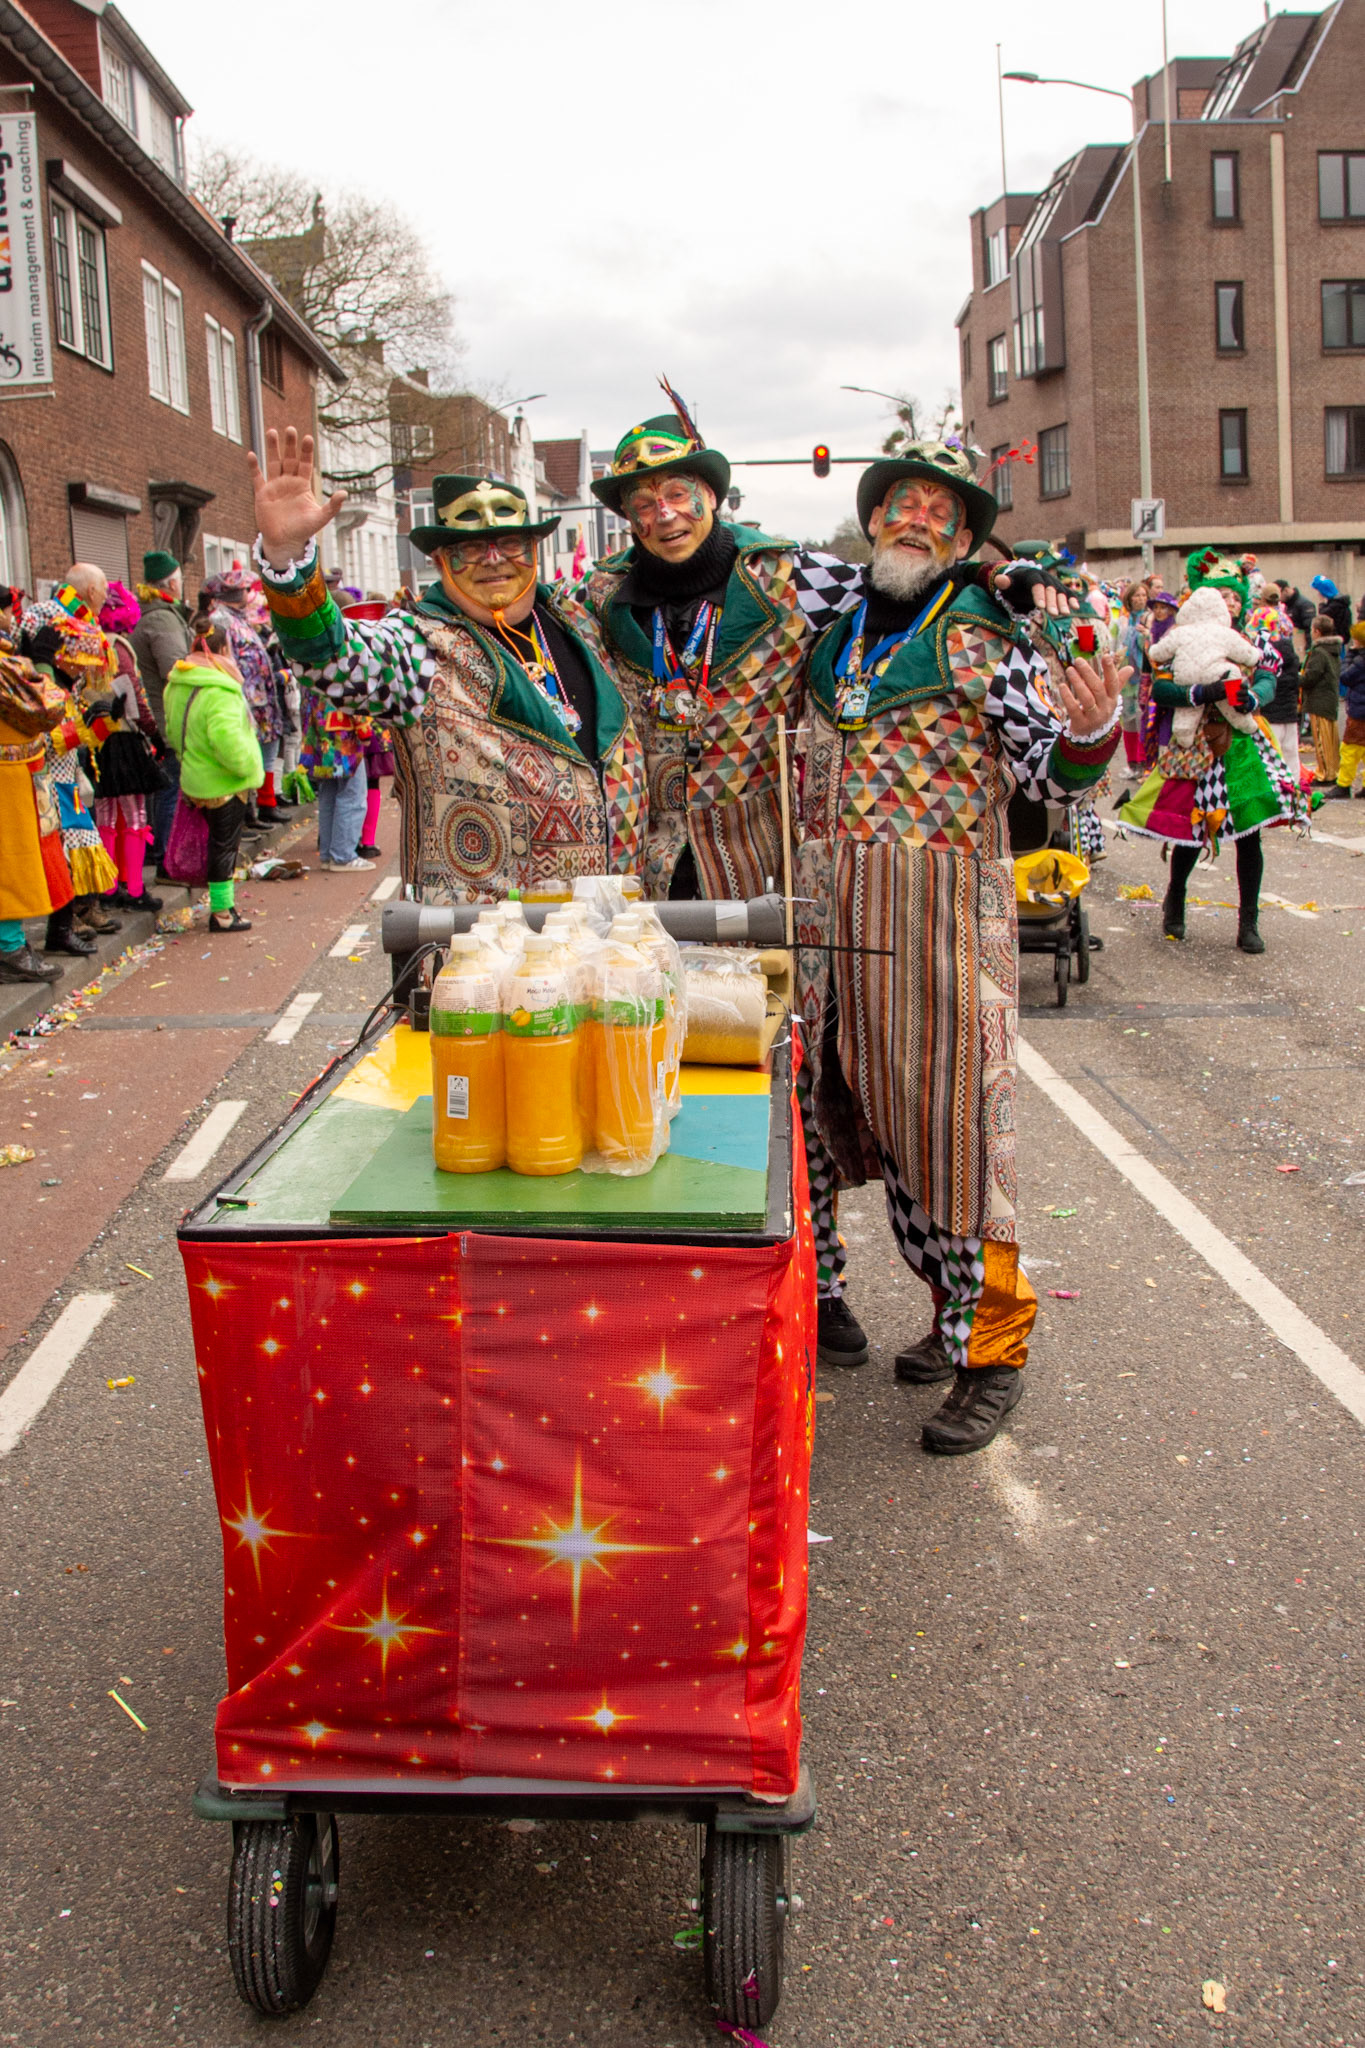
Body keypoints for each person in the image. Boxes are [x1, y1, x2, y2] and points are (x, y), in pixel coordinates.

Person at [793, 442, 1124, 1455]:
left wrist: (1092, 728)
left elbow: (1054, 772)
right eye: (903, 502)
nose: (918, 520)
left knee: (957, 1140)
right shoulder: (838, 621)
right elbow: (758, 570)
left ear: (967, 538)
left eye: (943, 513)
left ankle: (995, 1353)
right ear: (874, 517)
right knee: (866, 1128)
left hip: (938, 929)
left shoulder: (988, 636)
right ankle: (948, 1321)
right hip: (832, 930)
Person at [576, 389, 1064, 903]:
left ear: (712, 495)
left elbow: (902, 576)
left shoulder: (790, 576)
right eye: (644, 504)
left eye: (679, 494)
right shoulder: (600, 597)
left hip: (758, 870)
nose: (665, 515)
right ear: (627, 516)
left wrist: (989, 573)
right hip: (646, 870)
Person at [248, 427, 647, 902]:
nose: (494, 559)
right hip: (486, 938)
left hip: (613, 928)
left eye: (510, 542)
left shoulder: (580, 621)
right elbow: (331, 658)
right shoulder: (418, 644)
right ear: (440, 559)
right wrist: (287, 561)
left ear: (533, 550)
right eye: (470, 548)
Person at [1120, 550, 1305, 954]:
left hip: (1240, 744)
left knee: (1249, 834)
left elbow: (1269, 676)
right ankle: (1175, 898)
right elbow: (1161, 688)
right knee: (1191, 831)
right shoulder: (1180, 637)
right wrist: (1202, 693)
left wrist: (1253, 699)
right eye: (1223, 595)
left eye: (1236, 596)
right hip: (1194, 745)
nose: (1231, 602)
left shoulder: (1252, 639)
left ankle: (1248, 923)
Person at [163, 616, 264, 934]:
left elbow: (172, 730)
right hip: (224, 782)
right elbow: (227, 741)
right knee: (224, 848)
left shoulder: (177, 684)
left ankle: (224, 907)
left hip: (194, 776)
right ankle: (222, 912)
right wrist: (249, 767)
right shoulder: (220, 689)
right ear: (221, 650)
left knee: (216, 845)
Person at [0, 601, 65, 986]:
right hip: (8, 781)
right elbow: (48, 707)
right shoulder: (6, 668)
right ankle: (10, 948)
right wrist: (42, 665)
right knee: (13, 864)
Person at [93, 581, 165, 916]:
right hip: (123, 737)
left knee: (106, 814)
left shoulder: (88, 641)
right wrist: (153, 733)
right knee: (135, 815)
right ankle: (134, 888)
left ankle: (108, 887)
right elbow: (133, 694)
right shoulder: (118, 647)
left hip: (96, 737)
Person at [202, 567, 280, 831]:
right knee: (244, 753)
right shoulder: (221, 620)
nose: (250, 593)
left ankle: (260, 807)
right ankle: (247, 814)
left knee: (261, 753)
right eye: (246, 589)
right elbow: (225, 659)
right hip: (243, 699)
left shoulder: (239, 618)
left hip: (258, 700)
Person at [131, 550, 190, 870]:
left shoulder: (157, 614)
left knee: (165, 789)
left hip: (161, 714)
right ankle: (167, 856)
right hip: (167, 717)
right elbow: (175, 668)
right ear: (171, 584)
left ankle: (161, 851)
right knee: (171, 790)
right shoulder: (161, 619)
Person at [300, 685, 371, 871]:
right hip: (344, 735)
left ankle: (328, 854)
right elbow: (355, 695)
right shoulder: (343, 669)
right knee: (353, 795)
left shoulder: (312, 671)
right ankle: (343, 855)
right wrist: (364, 729)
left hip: (320, 734)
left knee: (328, 796)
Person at [1302, 611, 1344, 787]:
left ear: (1317, 632)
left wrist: (1296, 678)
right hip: (1330, 698)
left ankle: (1325, 774)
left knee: (1321, 740)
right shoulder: (1333, 650)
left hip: (1319, 700)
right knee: (1331, 740)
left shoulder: (1318, 652)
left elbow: (1311, 677)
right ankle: (1333, 770)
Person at [1334, 624, 1365, 799]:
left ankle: (1344, 784)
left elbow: (1345, 677)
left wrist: (1350, 654)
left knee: (1349, 748)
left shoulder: (1360, 661)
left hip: (1359, 711)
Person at [1311, 574, 1353, 642]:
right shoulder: (1340, 602)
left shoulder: (1335, 605)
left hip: (1336, 640)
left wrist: (1321, 602)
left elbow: (1323, 618)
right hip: (1341, 638)